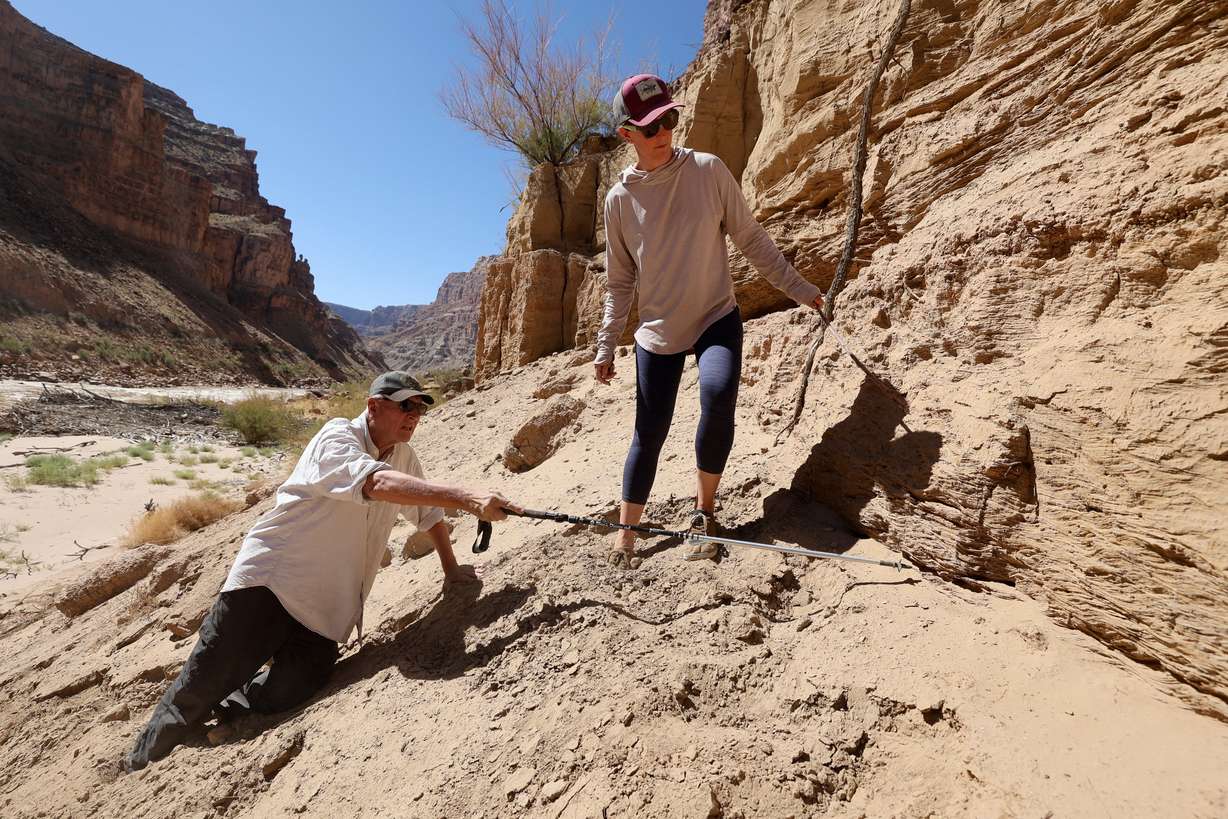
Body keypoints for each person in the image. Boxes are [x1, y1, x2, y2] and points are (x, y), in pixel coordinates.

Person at [124, 371, 520, 770]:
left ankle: (236, 700)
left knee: (293, 687)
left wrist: (451, 570)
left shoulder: (403, 456)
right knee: (196, 690)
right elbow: (376, 484)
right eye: (404, 405)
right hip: (269, 587)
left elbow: (428, 515)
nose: (413, 415)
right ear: (373, 407)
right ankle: (137, 766)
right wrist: (466, 496)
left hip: (324, 611)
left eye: (419, 407)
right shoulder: (336, 437)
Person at [594, 74, 824, 568]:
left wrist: (801, 290)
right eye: (651, 127)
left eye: (670, 120)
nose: (663, 133)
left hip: (715, 316)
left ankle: (704, 512)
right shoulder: (618, 202)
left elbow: (751, 238)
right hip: (657, 334)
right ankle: (627, 534)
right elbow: (619, 283)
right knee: (648, 434)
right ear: (626, 135)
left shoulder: (708, 170)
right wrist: (606, 343)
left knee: (718, 397)